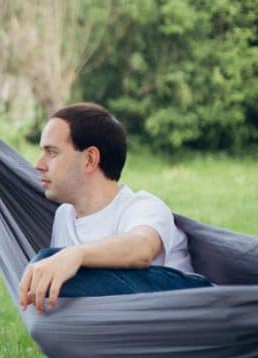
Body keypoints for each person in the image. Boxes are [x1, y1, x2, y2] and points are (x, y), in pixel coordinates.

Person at [18, 102, 212, 314]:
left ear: (90, 159)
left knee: (46, 264)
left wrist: (74, 255)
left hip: (185, 309)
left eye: (52, 153)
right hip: (120, 320)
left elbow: (142, 247)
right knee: (47, 272)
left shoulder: (143, 206)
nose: (38, 164)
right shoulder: (64, 215)